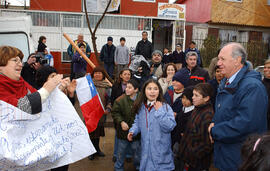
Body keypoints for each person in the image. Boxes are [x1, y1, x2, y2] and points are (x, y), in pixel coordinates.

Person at [208, 42, 268, 171]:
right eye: (218, 58)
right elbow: (224, 111)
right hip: (225, 155)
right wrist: (214, 123)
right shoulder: (227, 82)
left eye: (222, 59)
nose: (218, 63)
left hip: (239, 160)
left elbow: (246, 124)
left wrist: (215, 131)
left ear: (237, 61)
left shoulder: (252, 87)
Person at [127, 79, 176, 171]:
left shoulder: (165, 107)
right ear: (144, 91)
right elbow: (137, 122)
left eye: (155, 89)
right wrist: (132, 131)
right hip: (146, 152)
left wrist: (160, 111)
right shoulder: (141, 107)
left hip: (161, 153)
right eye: (149, 88)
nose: (152, 91)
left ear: (159, 91)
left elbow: (170, 126)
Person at [35, 65, 76, 171]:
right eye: (53, 76)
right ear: (44, 79)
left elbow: (67, 110)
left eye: (56, 75)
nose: (58, 79)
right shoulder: (38, 95)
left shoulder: (59, 92)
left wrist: (71, 94)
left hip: (60, 139)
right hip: (44, 141)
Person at [0, 45, 62, 114]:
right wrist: (46, 89)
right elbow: (18, 108)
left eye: (20, 61)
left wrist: (58, 89)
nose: (21, 65)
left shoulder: (20, 81)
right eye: (15, 60)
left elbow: (37, 95)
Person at [179, 83, 214, 171]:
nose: (192, 97)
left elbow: (207, 144)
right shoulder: (197, 108)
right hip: (189, 160)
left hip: (197, 163)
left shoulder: (208, 115)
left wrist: (191, 154)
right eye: (193, 94)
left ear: (206, 98)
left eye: (196, 95)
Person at [111, 79, 141, 171]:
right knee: (121, 151)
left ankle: (138, 166)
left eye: (129, 88)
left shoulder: (141, 99)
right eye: (126, 87)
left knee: (137, 152)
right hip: (123, 133)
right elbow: (115, 113)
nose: (126, 89)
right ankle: (118, 168)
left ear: (136, 90)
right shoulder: (120, 100)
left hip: (136, 134)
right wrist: (121, 122)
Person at [88, 67, 112, 160]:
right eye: (96, 73)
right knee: (91, 133)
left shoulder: (107, 86)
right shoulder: (88, 85)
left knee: (97, 133)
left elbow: (110, 100)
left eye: (100, 73)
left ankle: (97, 149)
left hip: (101, 114)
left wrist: (108, 108)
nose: (97, 75)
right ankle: (91, 151)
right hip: (90, 114)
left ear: (103, 75)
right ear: (93, 74)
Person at [110, 68, 132, 162]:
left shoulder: (133, 85)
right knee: (118, 135)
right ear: (121, 75)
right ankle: (116, 154)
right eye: (125, 74)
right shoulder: (116, 86)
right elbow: (112, 99)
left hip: (129, 114)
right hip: (119, 113)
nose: (127, 76)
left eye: (129, 74)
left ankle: (128, 155)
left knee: (129, 134)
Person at [263, 59, 270, 130]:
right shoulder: (260, 83)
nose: (265, 69)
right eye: (265, 67)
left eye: (269, 68)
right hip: (262, 120)